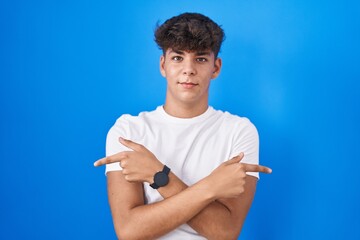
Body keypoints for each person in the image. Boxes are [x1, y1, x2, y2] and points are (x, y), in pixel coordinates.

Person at [94, 12, 272, 240]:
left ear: (216, 67)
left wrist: (158, 175)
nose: (188, 69)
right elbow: (129, 231)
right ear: (163, 65)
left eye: (200, 59)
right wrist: (211, 187)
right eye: (178, 58)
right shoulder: (129, 131)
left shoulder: (239, 130)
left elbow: (226, 232)